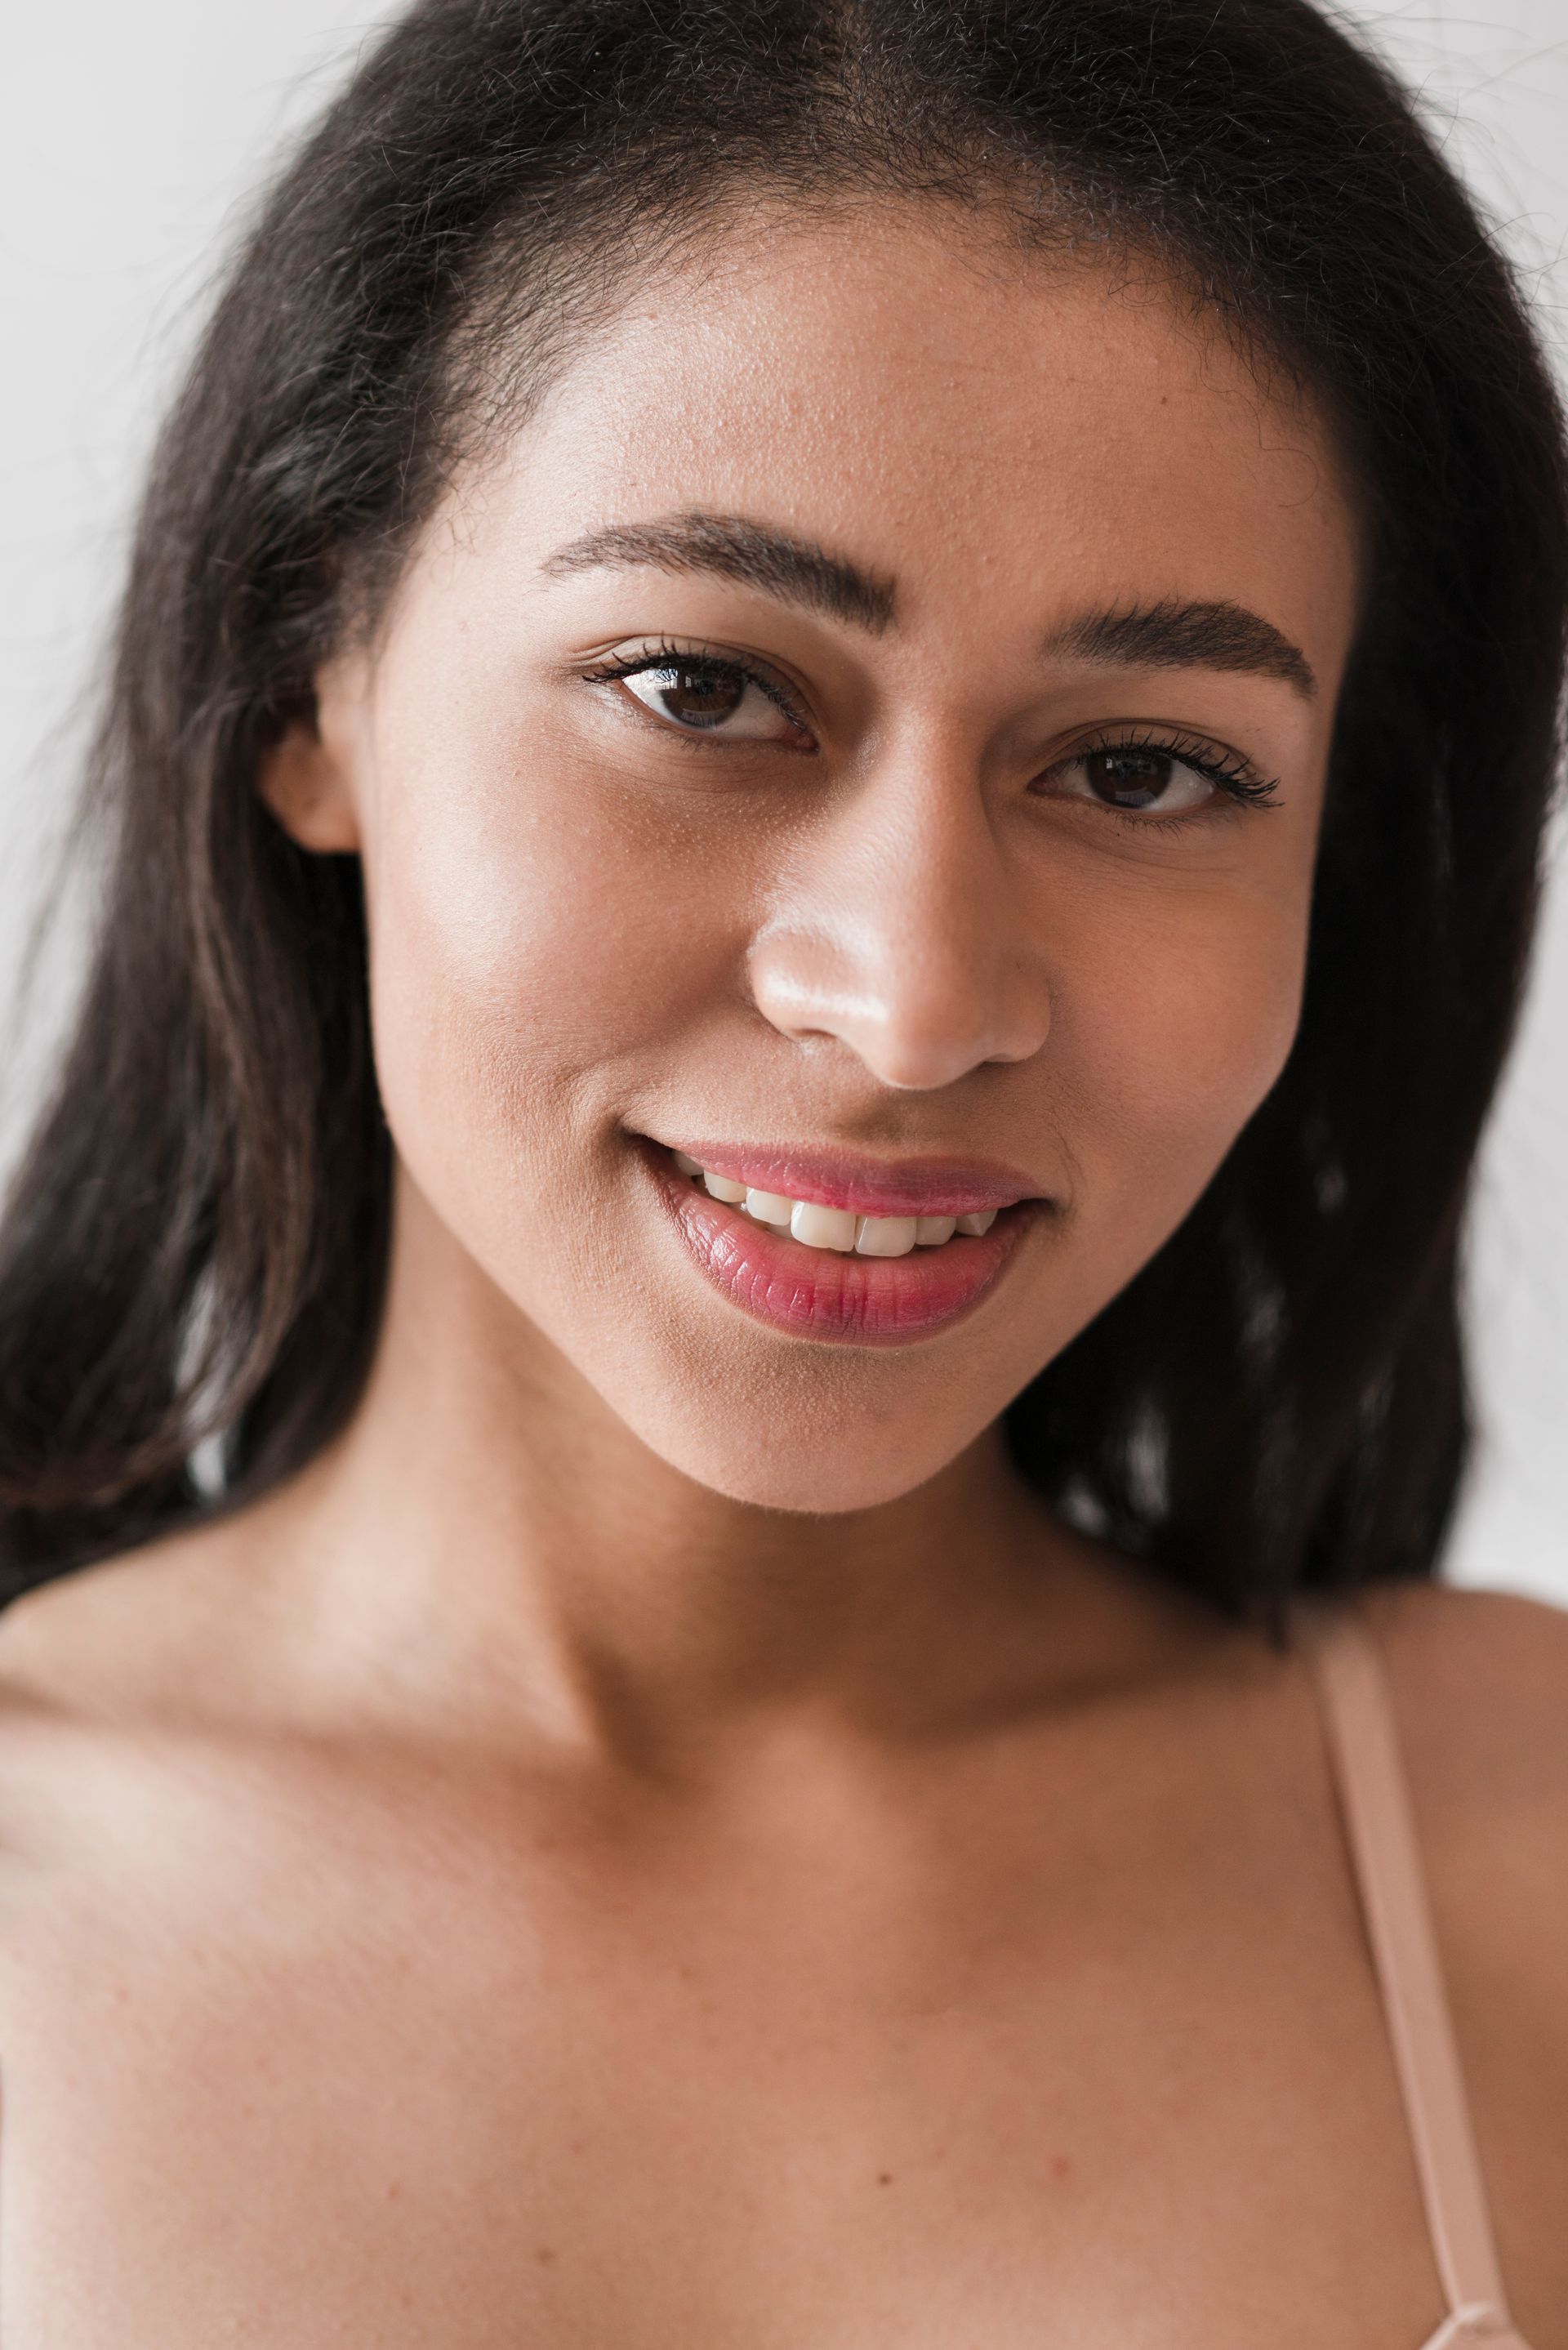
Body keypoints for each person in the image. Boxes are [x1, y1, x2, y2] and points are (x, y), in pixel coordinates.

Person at [0, 0, 1563, 2338]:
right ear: (310, 676)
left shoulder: (1515, 1856)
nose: (916, 1001)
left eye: (1143, 770)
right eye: (705, 691)